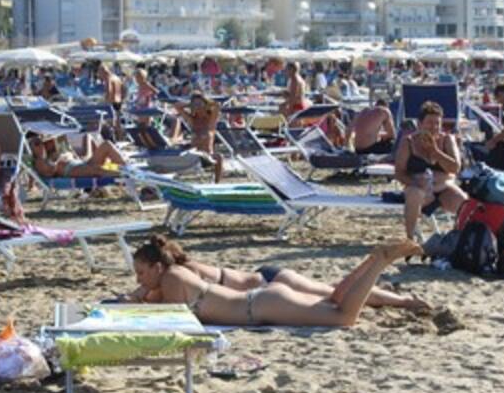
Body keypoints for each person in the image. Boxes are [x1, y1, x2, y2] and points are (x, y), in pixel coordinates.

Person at [123, 235, 423, 328]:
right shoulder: (175, 276)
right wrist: (142, 295)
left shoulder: (173, 278)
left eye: (142, 273)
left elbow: (175, 320)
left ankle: (379, 262)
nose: (139, 279)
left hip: (261, 306)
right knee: (336, 302)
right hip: (263, 299)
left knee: (343, 317)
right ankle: (373, 261)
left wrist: (138, 301)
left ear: (158, 267)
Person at [394, 101, 467, 238]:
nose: (434, 127)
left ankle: (459, 237)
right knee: (414, 194)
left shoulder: (447, 139)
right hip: (418, 187)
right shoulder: (408, 142)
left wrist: (436, 152)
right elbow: (399, 172)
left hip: (443, 187)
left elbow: (455, 168)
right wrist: (415, 182)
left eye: (437, 123)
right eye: (429, 123)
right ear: (420, 124)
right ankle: (410, 238)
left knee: (463, 202)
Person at [175, 92, 223, 182]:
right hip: (194, 156)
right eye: (195, 105)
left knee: (219, 157)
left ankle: (217, 183)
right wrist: (190, 104)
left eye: (199, 104)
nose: (198, 107)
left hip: (207, 157)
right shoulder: (193, 121)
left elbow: (217, 105)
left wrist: (206, 103)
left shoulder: (211, 120)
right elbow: (177, 106)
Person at [29, 135, 126, 179]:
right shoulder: (38, 161)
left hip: (80, 163)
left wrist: (67, 151)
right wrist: (54, 159)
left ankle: (127, 168)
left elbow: (74, 155)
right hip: (71, 170)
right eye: (37, 144)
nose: (40, 145)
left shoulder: (49, 152)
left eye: (40, 142)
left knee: (106, 145)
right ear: (32, 148)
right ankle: (124, 174)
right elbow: (49, 173)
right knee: (97, 169)